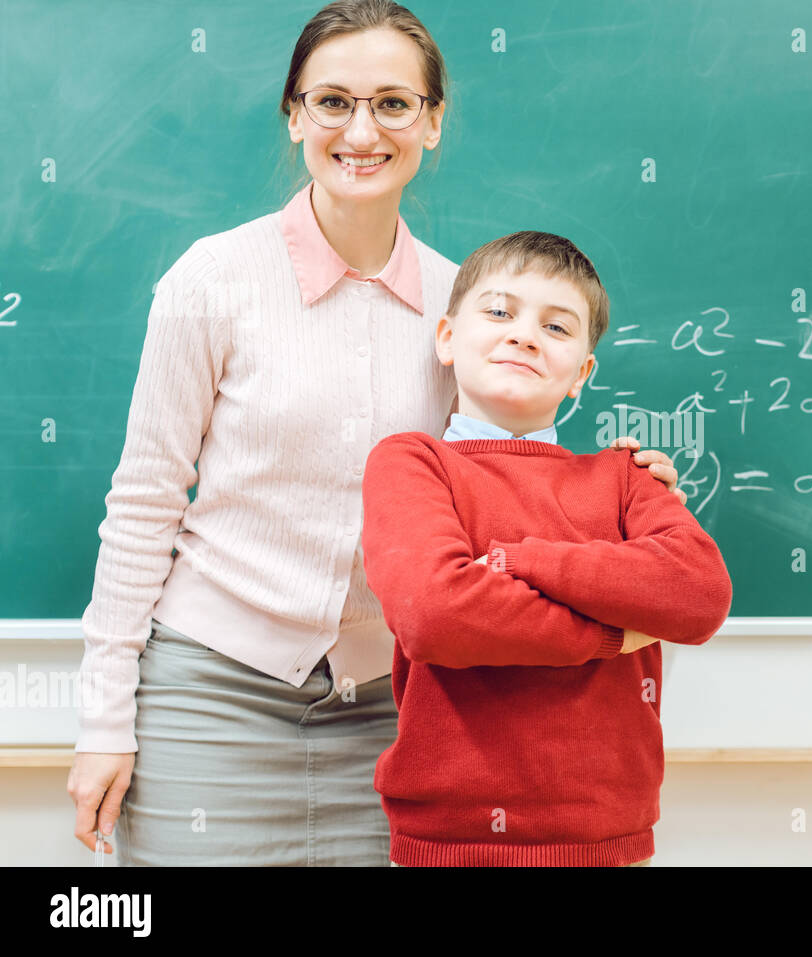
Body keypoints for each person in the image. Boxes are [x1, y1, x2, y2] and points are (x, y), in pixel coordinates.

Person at [66, 0, 684, 867]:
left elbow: (497, 480)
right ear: (295, 115)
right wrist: (104, 719)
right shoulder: (212, 281)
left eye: (394, 103)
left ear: (432, 123)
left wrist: (618, 495)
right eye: (333, 101)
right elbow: (142, 504)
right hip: (210, 694)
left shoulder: (465, 306)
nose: (363, 129)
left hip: (402, 711)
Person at [362, 231, 733, 867]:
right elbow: (435, 614)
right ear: (447, 338)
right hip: (449, 841)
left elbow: (698, 594)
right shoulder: (412, 463)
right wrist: (613, 635)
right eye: (500, 312)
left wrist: (517, 559)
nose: (526, 336)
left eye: (557, 328)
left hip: (608, 840)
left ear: (581, 376)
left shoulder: (626, 477)